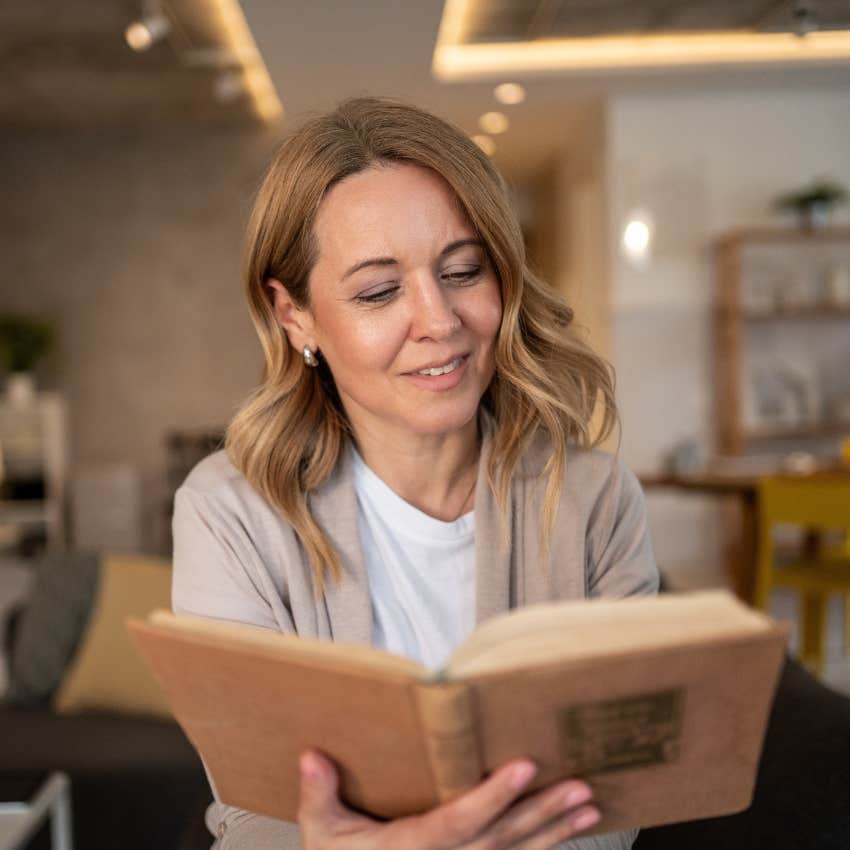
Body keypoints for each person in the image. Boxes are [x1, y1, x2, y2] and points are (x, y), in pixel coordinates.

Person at [172, 96, 659, 850]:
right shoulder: (232, 514)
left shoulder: (593, 500)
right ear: (292, 314)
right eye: (378, 291)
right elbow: (255, 818)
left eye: (464, 271)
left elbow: (619, 801)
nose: (439, 320)